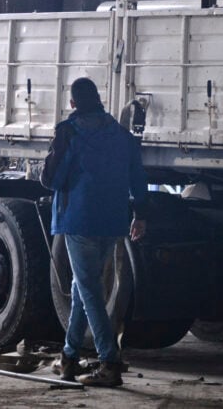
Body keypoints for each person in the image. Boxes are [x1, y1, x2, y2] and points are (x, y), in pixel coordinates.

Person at [40, 77, 148, 387]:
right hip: (113, 222)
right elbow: (138, 178)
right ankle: (68, 357)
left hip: (79, 221)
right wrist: (140, 215)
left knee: (89, 291)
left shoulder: (69, 132)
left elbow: (52, 180)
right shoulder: (122, 135)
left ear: (73, 103)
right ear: (98, 99)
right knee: (82, 288)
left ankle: (109, 362)